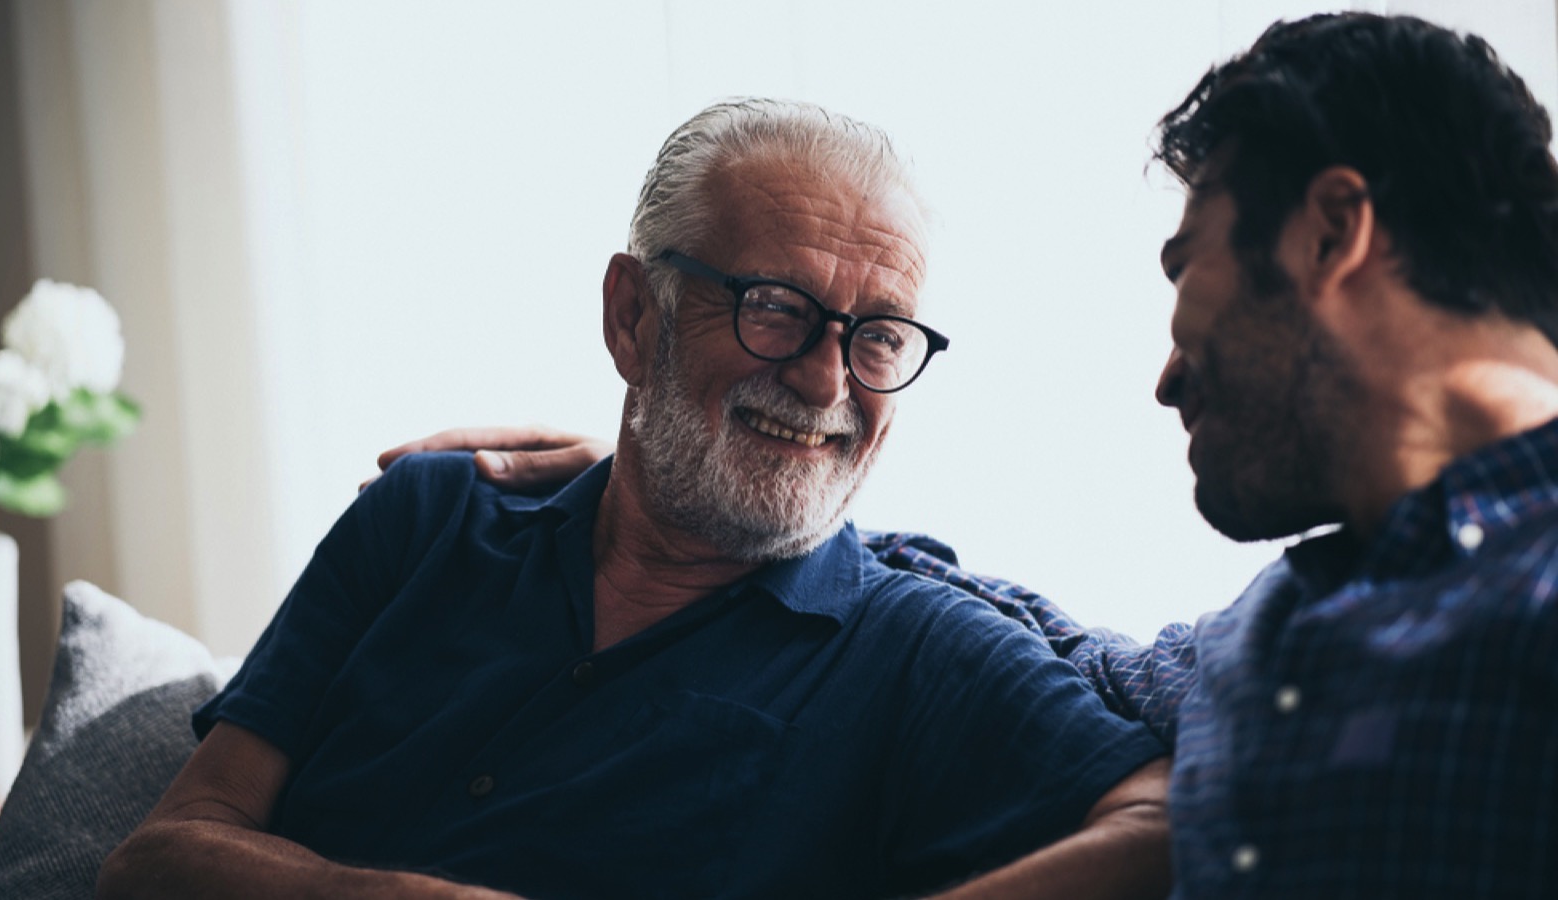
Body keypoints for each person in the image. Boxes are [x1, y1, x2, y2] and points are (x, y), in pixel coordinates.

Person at [398, 13, 1558, 898]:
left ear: (1327, 234)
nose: (1164, 375)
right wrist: (677, 461)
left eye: (1183, 262)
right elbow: (1029, 641)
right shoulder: (1262, 641)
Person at [98, 100, 1170, 900]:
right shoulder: (426, 516)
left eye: (878, 336)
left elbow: (1169, 824)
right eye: (775, 308)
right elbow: (156, 856)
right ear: (631, 318)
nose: (824, 379)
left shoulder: (916, 646)